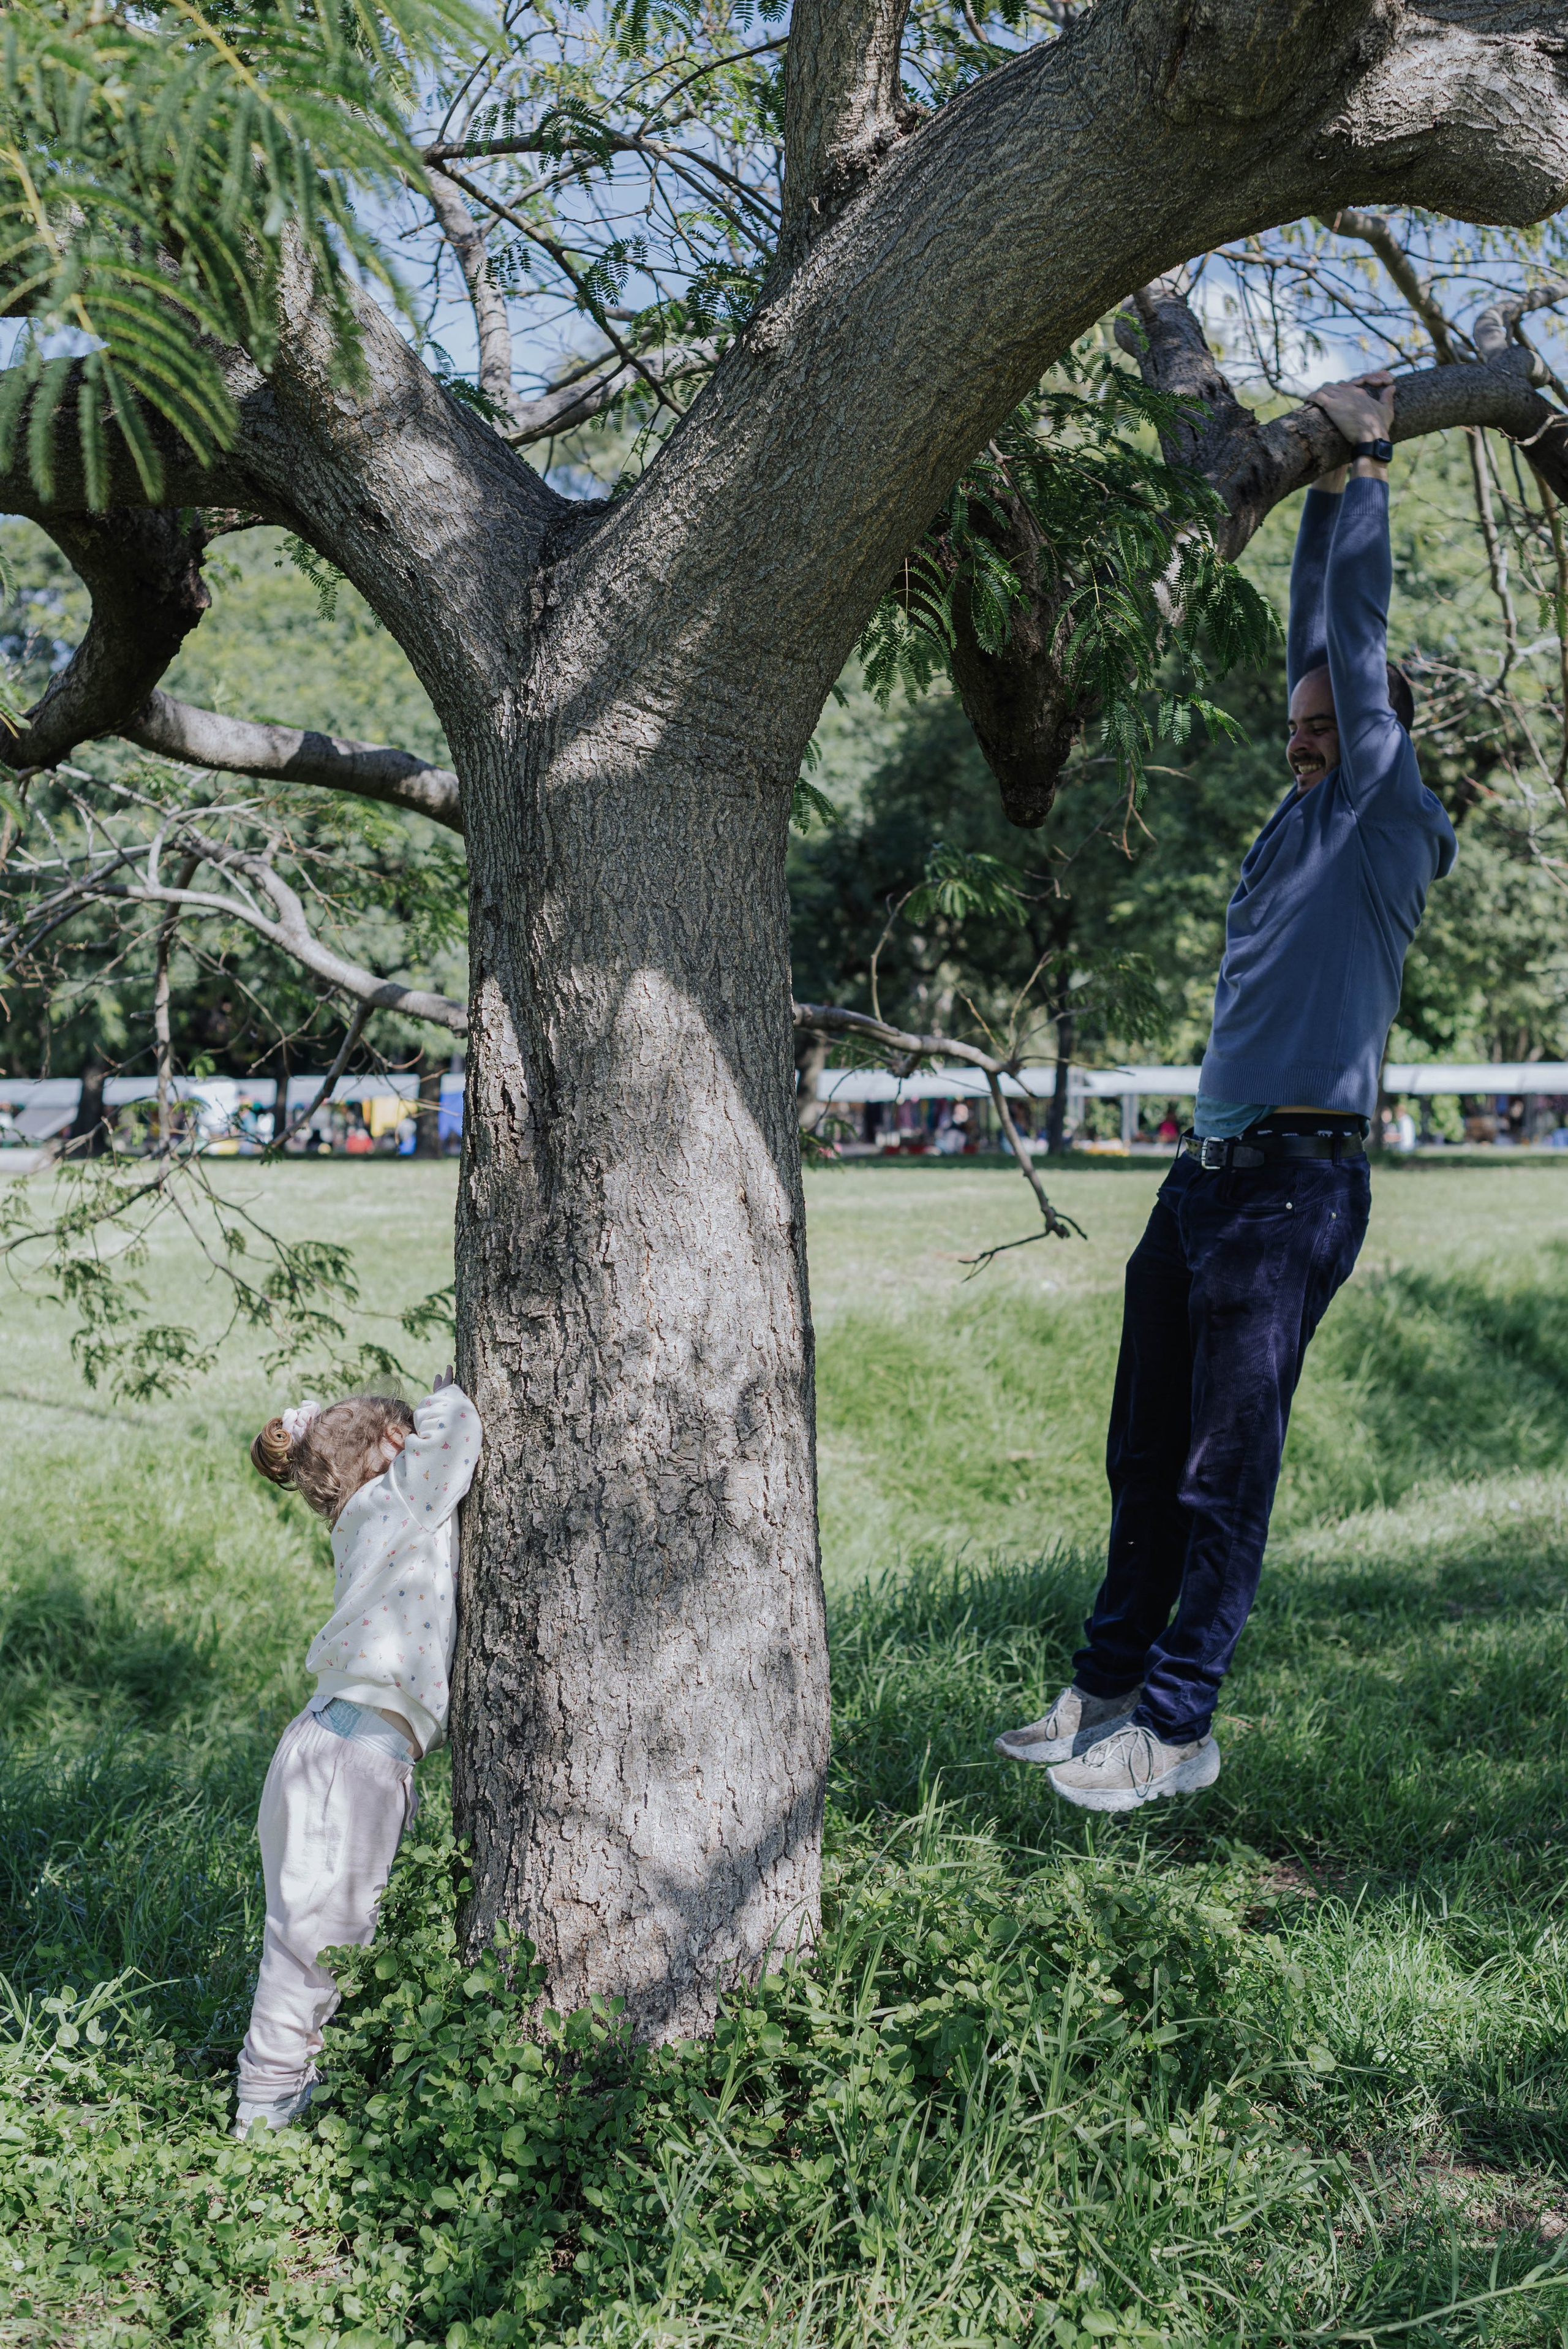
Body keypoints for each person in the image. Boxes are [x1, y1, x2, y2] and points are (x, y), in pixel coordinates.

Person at [995, 371, 1456, 1812]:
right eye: (1298, 732)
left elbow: (1354, 648)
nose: (1299, 741)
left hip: (1296, 1183)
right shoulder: (1293, 811)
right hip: (1205, 1179)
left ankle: (1179, 1723)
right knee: (1142, 1448)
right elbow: (1314, 652)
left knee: (1216, 1464)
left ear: (1376, 740)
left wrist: (1372, 464)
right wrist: (1318, 485)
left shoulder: (1378, 818)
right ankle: (1107, 1686)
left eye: (1324, 732)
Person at [234, 1372, 482, 2135]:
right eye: (401, 1433)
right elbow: (457, 1434)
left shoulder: (366, 1517)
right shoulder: (395, 1502)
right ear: (389, 1449)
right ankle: (264, 2108)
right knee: (313, 1942)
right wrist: (446, 1394)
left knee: (317, 1935)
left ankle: (282, 2090)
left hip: (337, 1746)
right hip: (349, 1755)